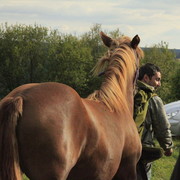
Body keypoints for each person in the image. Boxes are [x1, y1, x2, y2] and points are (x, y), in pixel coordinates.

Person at [136, 63, 173, 179]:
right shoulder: (153, 99)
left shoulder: (127, 94)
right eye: (157, 80)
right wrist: (168, 147)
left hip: (123, 147)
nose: (159, 84)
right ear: (146, 78)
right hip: (142, 151)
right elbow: (162, 128)